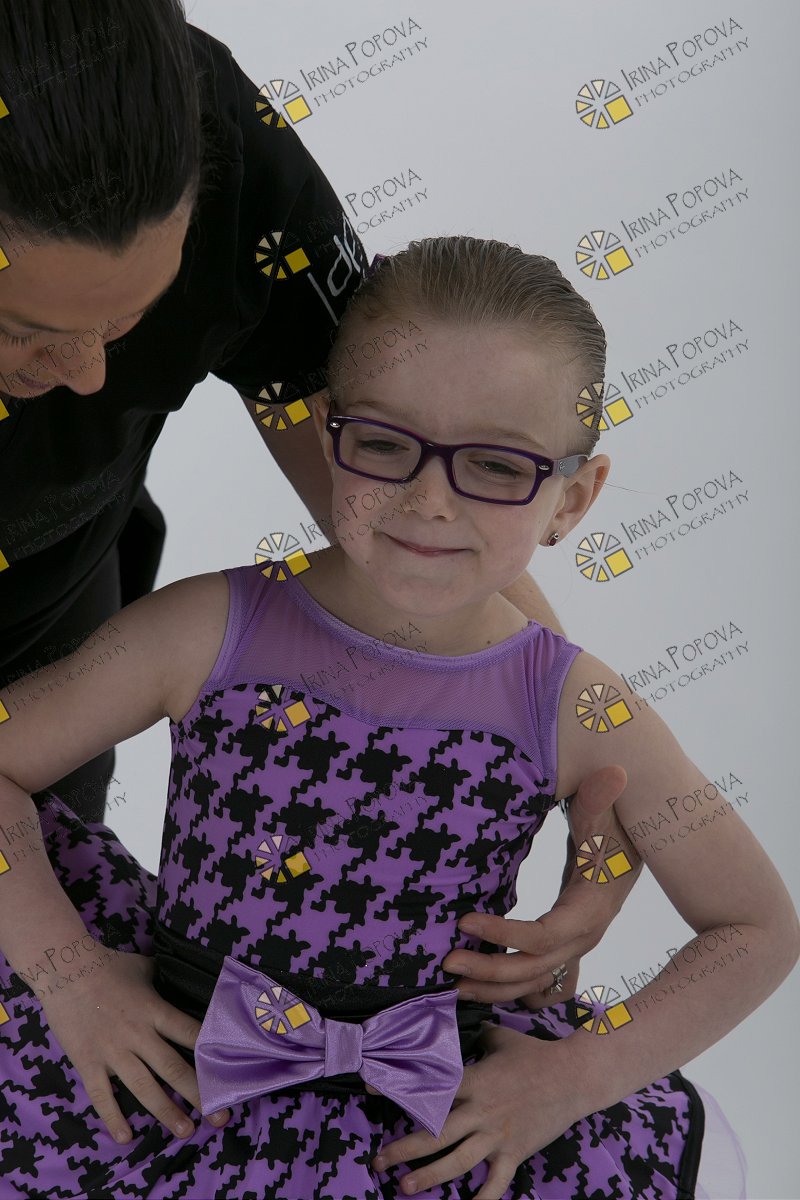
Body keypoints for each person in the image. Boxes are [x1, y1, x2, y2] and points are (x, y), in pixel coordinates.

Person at [0, 236, 787, 1199]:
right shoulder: (204, 629)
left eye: (495, 464)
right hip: (171, 1081)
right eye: (384, 443)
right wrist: (69, 976)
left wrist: (577, 1079)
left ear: (572, 498)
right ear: (329, 431)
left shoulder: (579, 703)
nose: (429, 499)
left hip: (431, 1127)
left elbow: (755, 927)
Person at [0, 0, 646, 1017]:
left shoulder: (227, 155)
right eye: (23, 331)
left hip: (43, 637)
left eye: (129, 322)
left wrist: (583, 778)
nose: (88, 374)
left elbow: (417, 528)